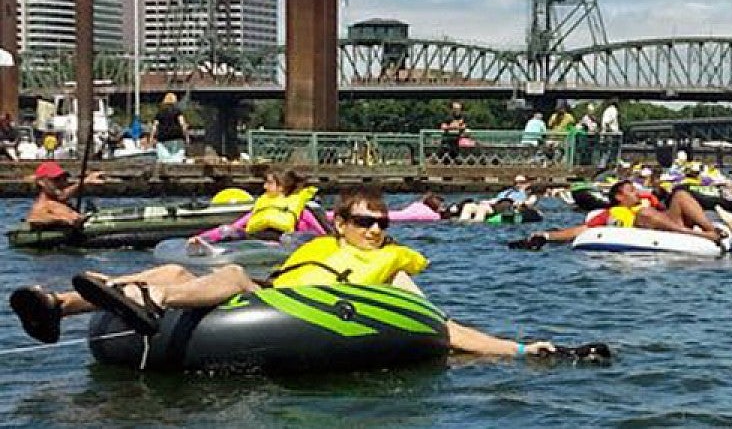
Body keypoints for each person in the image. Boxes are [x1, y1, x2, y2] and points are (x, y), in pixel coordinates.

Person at [9, 188, 600, 361]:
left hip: (306, 314)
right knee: (173, 263)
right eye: (364, 222)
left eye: (381, 223)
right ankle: (58, 306)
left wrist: (524, 349)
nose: (375, 231)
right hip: (279, 299)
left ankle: (149, 299)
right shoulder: (313, 249)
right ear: (340, 222)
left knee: (236, 274)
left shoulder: (390, 271)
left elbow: (439, 327)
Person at [515, 179, 724, 247]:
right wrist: (547, 236)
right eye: (631, 191)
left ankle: (711, 230)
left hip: (671, 226)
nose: (637, 193)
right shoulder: (611, 213)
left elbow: (667, 212)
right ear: (619, 198)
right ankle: (705, 235)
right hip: (654, 230)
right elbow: (583, 229)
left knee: (680, 195)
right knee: (643, 215)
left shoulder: (648, 204)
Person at [190, 169, 328, 245]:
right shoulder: (263, 205)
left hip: (284, 241)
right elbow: (236, 226)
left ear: (281, 187)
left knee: (289, 238)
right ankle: (202, 242)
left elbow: (321, 233)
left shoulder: (301, 210)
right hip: (258, 241)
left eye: (269, 183)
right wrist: (202, 237)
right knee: (227, 230)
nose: (264, 187)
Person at [25, 160, 105, 230]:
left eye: (64, 178)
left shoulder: (59, 199)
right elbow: (33, 218)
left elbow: (63, 194)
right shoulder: (43, 205)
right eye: (56, 179)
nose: (62, 183)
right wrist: (62, 218)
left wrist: (85, 182)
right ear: (41, 182)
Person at [150, 92, 188, 164]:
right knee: (177, 159)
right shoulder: (177, 112)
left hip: (163, 138)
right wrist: (186, 137)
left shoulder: (160, 113)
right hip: (176, 138)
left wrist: (151, 138)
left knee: (164, 160)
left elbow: (154, 127)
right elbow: (183, 124)